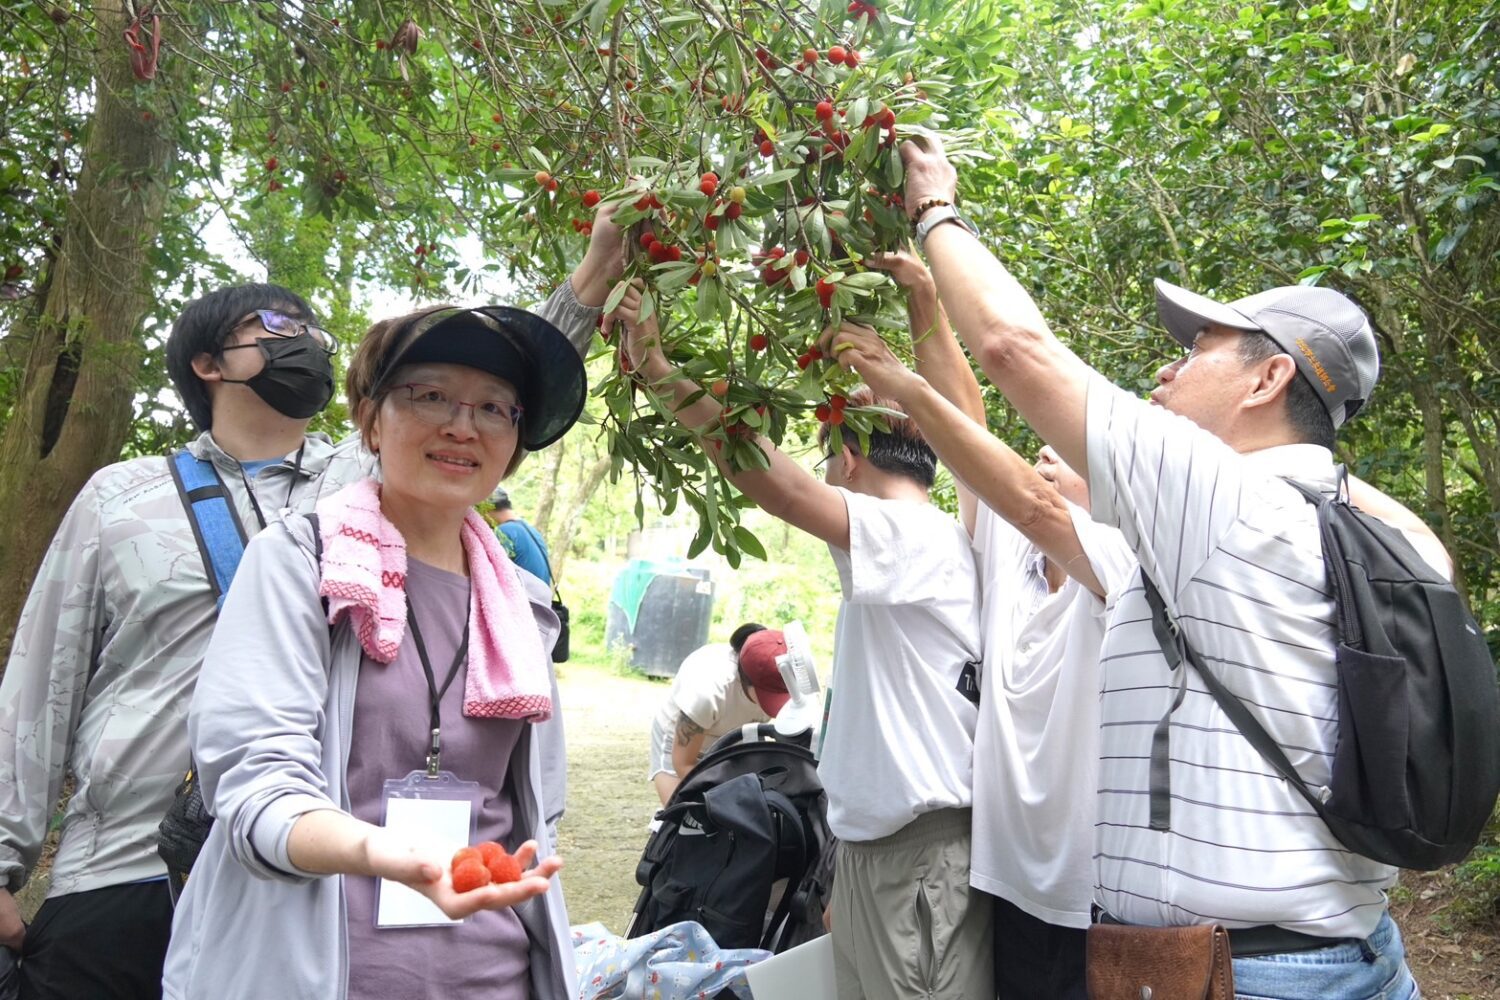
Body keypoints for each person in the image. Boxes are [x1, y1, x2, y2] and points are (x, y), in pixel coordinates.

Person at [0, 209, 627, 1000]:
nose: (303, 342)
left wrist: (594, 276)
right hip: (128, 856)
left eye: (313, 331)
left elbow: (490, 384)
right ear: (206, 362)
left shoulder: (347, 491)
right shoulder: (124, 498)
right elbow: (41, 680)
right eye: (275, 327)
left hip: (335, 870)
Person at [882, 131, 1443, 998]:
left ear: (1267, 382)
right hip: (1347, 956)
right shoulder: (1367, 534)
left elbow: (1014, 350)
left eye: (1199, 349)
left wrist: (934, 211)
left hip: (1252, 975)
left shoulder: (1223, 501)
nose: (1164, 371)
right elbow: (1031, 509)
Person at [162, 302, 585, 999]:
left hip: (494, 977)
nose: (461, 424)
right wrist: (380, 852)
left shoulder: (524, 606)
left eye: (494, 408)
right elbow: (254, 783)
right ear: (370, 417)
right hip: (314, 974)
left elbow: (537, 809)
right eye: (429, 395)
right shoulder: (301, 565)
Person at [615, 283, 992, 1000]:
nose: (821, 477)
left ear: (849, 458)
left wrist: (663, 372)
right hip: (880, 853)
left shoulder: (912, 532)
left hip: (918, 859)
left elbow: (778, 487)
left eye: (825, 459)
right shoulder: (916, 549)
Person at [830, 248, 1138, 998]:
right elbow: (970, 430)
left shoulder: (1122, 573)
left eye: (1064, 455)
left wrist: (898, 378)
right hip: (1001, 880)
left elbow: (1019, 490)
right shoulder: (1009, 560)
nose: (1038, 456)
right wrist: (924, 308)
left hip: (1092, 898)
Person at [648, 624, 791, 804]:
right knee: (682, 813)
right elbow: (683, 763)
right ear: (746, 680)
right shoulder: (709, 691)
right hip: (679, 743)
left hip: (732, 737)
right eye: (769, 695)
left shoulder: (784, 667)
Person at [487, 488, 553, 585]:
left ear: (488, 508)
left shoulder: (504, 532)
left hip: (524, 597)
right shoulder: (531, 530)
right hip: (540, 597)